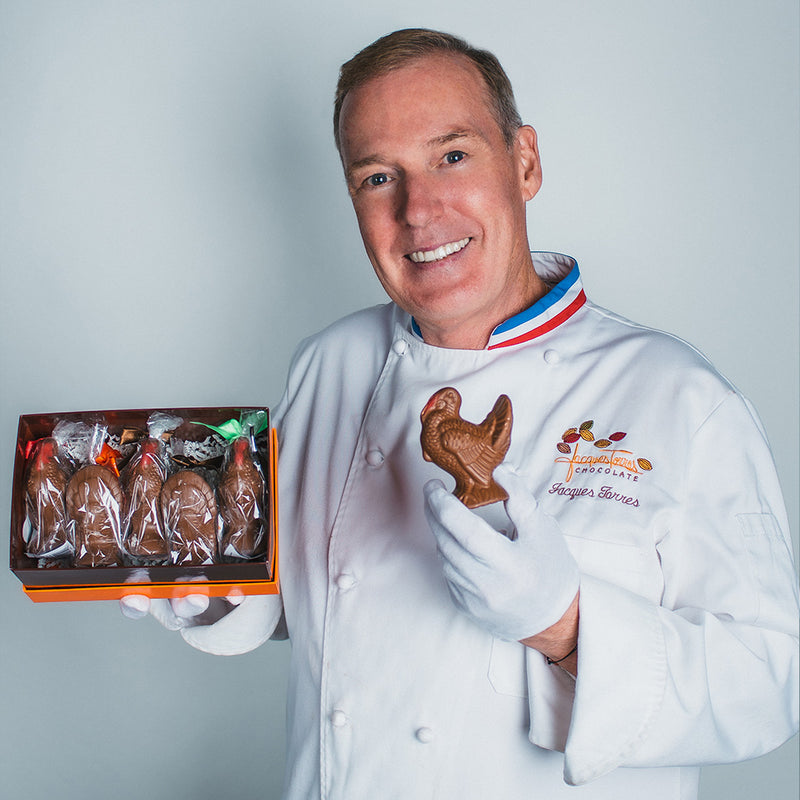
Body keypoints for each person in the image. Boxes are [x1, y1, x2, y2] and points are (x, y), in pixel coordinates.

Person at [123, 28, 799, 799]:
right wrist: (217, 585)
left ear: (525, 162)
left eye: (452, 155)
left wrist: (565, 626)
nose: (419, 210)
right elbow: (319, 604)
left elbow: (767, 687)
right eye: (379, 177)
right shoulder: (329, 363)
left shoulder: (679, 397)